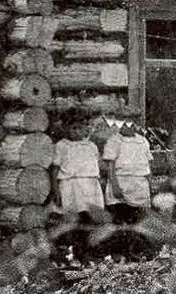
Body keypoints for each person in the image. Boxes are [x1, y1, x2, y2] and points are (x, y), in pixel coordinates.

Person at [50, 109, 105, 262]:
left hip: (90, 186)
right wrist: (56, 191)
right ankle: (76, 252)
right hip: (71, 185)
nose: (76, 131)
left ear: (86, 128)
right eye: (72, 128)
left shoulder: (91, 146)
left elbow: (96, 166)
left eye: (80, 128)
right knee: (75, 219)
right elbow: (55, 169)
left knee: (90, 218)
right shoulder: (62, 146)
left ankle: (90, 252)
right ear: (66, 128)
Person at [103, 121, 154, 258]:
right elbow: (111, 166)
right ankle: (122, 254)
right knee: (122, 220)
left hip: (139, 185)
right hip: (121, 182)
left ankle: (138, 253)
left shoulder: (142, 141)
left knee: (139, 221)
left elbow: (147, 165)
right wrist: (115, 185)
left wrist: (150, 184)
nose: (127, 127)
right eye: (123, 125)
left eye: (131, 124)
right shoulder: (114, 141)